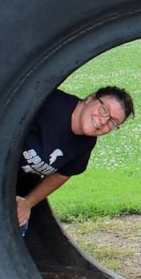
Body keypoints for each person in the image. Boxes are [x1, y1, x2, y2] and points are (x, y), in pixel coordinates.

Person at [15, 86, 134, 234]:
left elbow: (62, 175)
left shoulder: (86, 143)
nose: (104, 121)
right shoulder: (49, 103)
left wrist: (28, 203)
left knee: (16, 226)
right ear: (91, 98)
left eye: (113, 122)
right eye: (104, 110)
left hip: (13, 186)